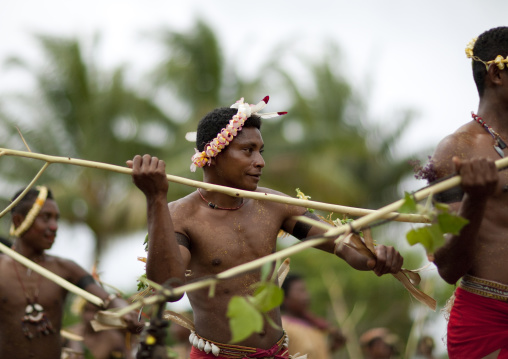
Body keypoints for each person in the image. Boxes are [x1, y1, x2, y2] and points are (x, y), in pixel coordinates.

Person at [128, 96, 404, 359]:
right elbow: (168, 288)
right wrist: (156, 200)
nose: (260, 162)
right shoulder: (180, 215)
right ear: (213, 154)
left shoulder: (273, 204)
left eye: (260, 151)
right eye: (247, 151)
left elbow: (342, 246)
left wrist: (374, 256)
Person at [429, 26, 508, 358]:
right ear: (496, 73)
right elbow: (447, 268)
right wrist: (475, 200)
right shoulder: (455, 151)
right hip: (486, 320)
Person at [0, 186, 143, 359]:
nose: (54, 227)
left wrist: (126, 311)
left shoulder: (65, 268)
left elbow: (106, 299)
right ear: (18, 221)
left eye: (56, 219)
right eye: (46, 218)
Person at [280, 274, 346, 359]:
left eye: (306, 290)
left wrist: (331, 348)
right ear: (285, 297)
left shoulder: (314, 327)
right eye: (300, 291)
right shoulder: (283, 326)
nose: (307, 295)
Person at [62, 298, 136, 359]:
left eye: (96, 311)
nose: (91, 316)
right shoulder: (68, 334)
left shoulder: (113, 338)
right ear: (81, 311)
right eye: (87, 310)